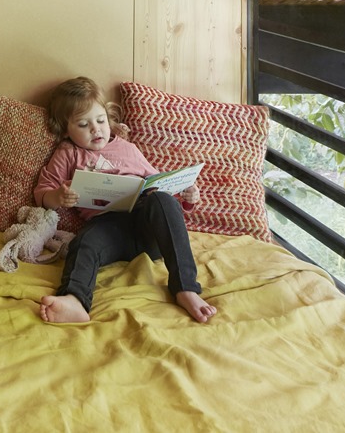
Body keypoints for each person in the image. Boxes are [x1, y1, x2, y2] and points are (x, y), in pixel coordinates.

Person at [34, 76, 217, 325]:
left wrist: (187, 195)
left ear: (108, 117)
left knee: (161, 200)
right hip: (108, 230)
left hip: (149, 228)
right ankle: (75, 299)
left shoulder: (127, 148)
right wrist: (58, 196)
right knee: (83, 243)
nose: (96, 129)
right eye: (83, 124)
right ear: (66, 129)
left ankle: (186, 288)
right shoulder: (68, 153)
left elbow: (160, 184)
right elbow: (42, 193)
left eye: (100, 120)